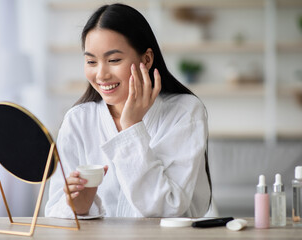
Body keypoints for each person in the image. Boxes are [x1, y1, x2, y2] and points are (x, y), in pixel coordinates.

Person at [45, 3, 212, 219]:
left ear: (147, 59)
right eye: (91, 61)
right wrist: (79, 206)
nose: (101, 74)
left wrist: (132, 127)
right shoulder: (77, 120)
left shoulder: (184, 112)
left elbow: (167, 209)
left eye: (114, 60)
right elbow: (54, 211)